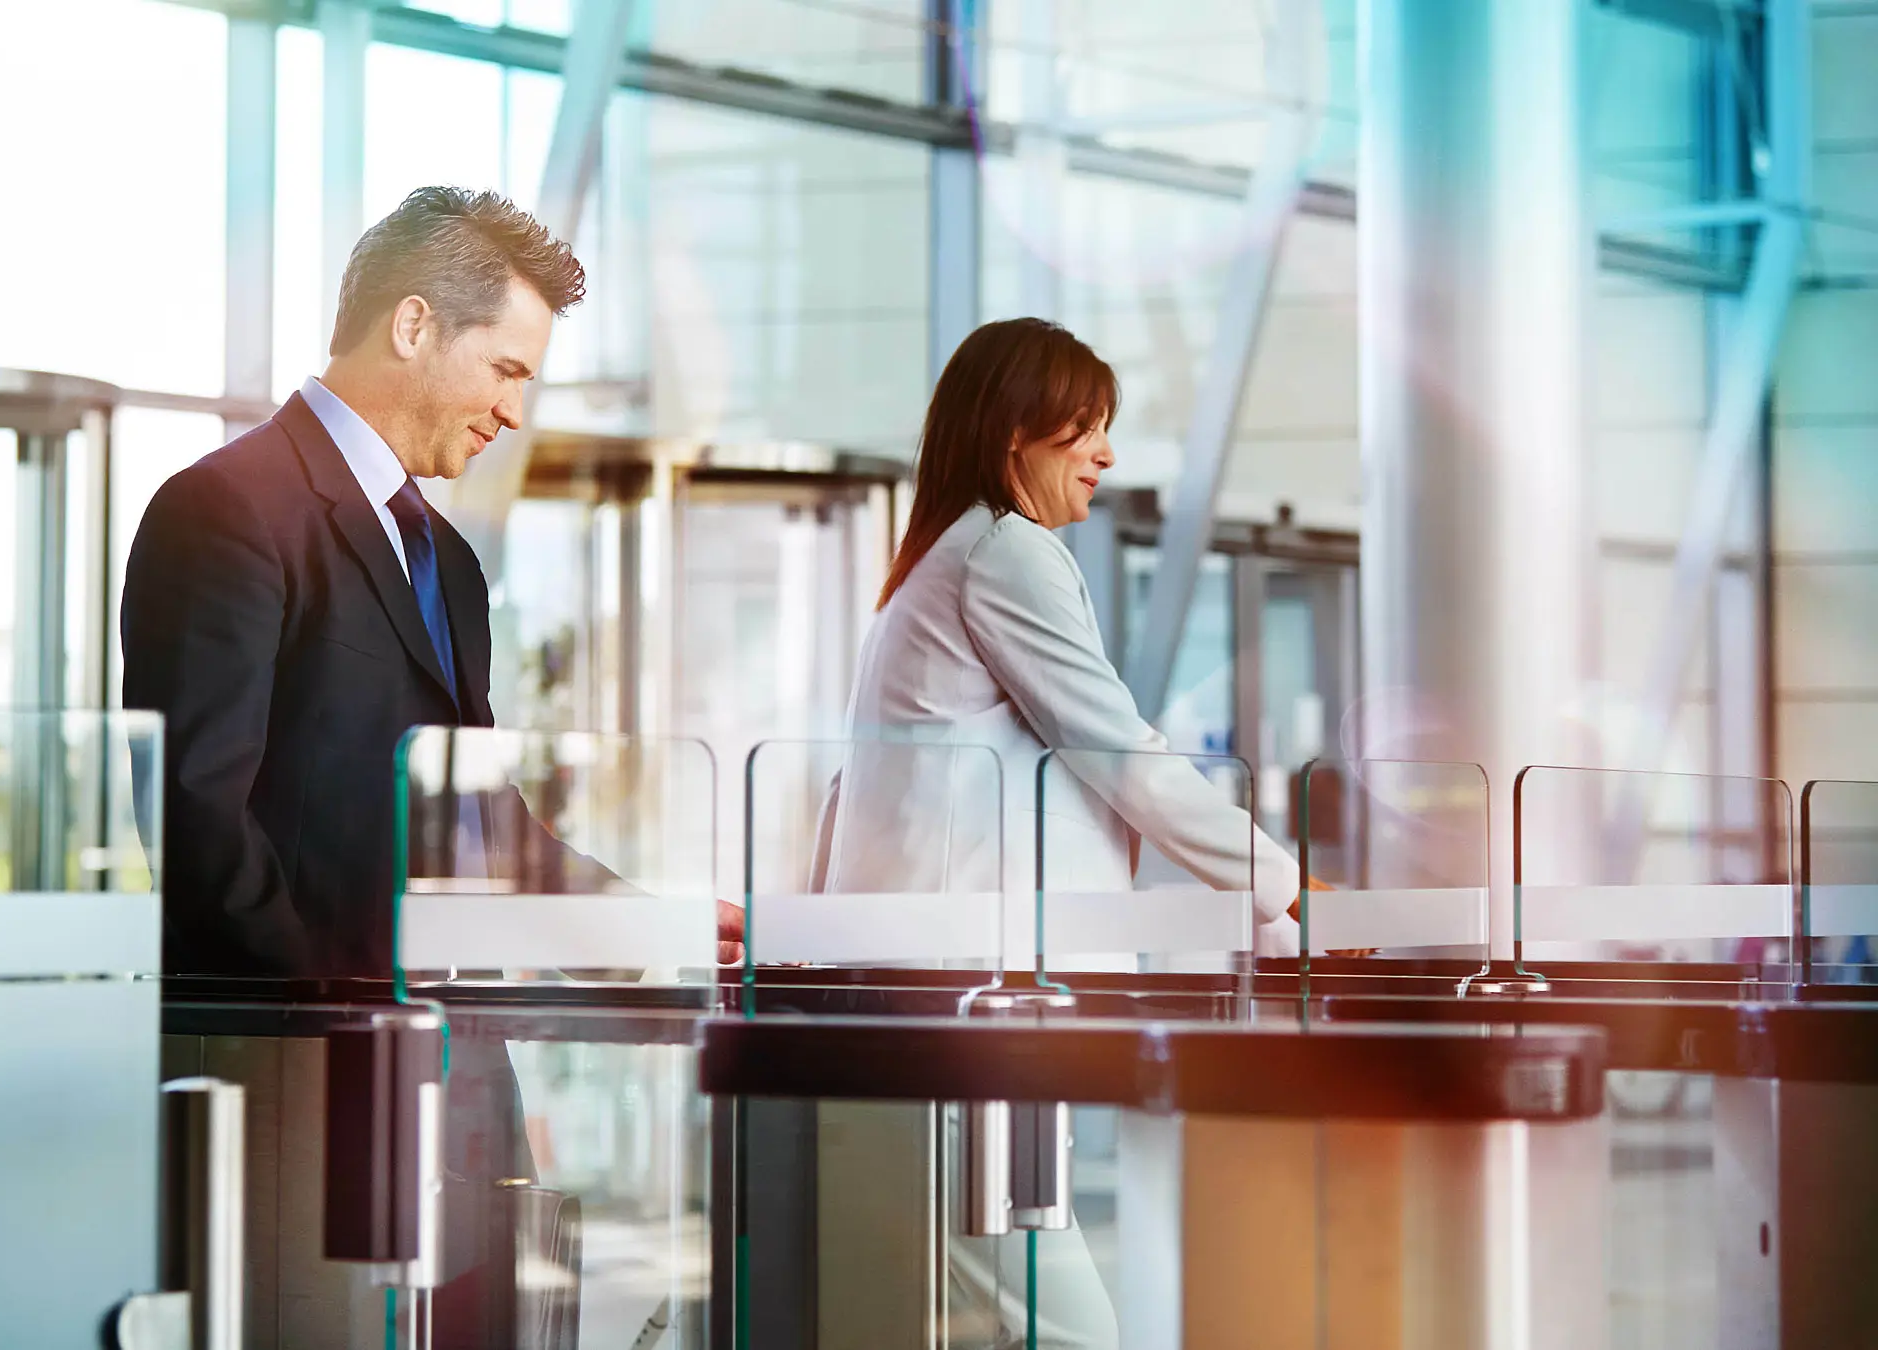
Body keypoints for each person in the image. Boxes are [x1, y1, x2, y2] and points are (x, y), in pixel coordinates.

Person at [813, 318, 1310, 1349]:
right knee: (1065, 1322)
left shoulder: (935, 566)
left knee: (977, 1309)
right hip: (974, 1011)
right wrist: (1284, 882)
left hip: (954, 1003)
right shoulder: (1003, 552)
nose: (1106, 454)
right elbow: (1118, 752)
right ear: (1014, 439)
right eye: (1084, 428)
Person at [121, 185, 743, 977]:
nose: (514, 412)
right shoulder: (225, 510)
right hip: (310, 1062)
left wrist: (645, 930)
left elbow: (485, 820)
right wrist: (330, 1029)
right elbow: (196, 823)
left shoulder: (445, 556)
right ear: (413, 326)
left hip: (454, 1054)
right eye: (504, 370)